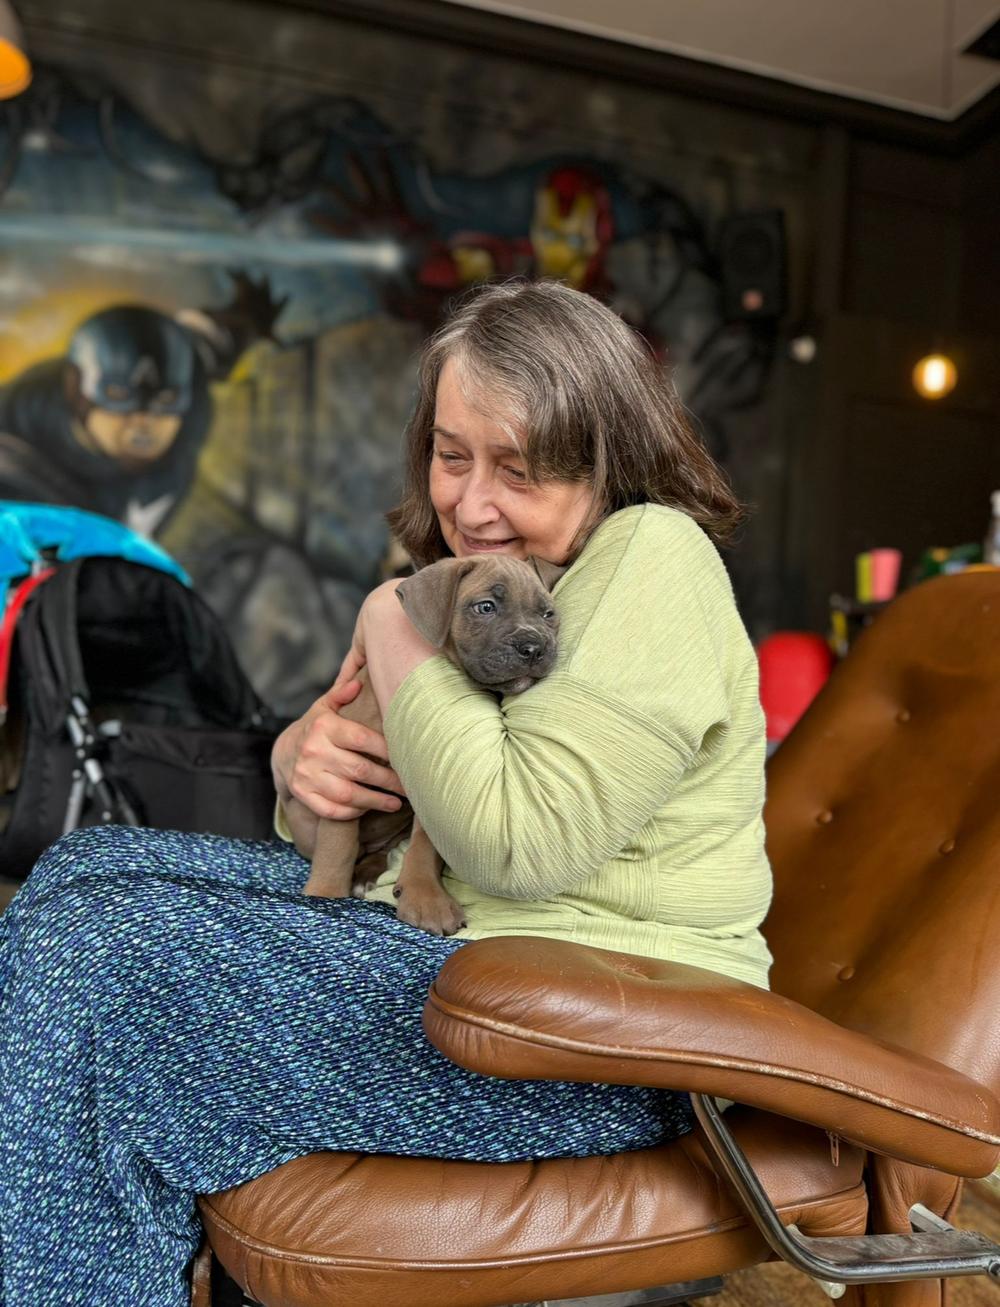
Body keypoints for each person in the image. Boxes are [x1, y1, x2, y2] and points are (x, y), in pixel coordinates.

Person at [0, 279, 772, 1307]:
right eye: (452, 456)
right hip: (466, 971)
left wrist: (392, 622)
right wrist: (300, 771)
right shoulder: (496, 574)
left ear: (609, 459)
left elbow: (515, 840)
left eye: (521, 469)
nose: (472, 503)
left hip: (602, 1047)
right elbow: (379, 819)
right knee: (78, 873)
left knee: (99, 953)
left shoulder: (653, 556)